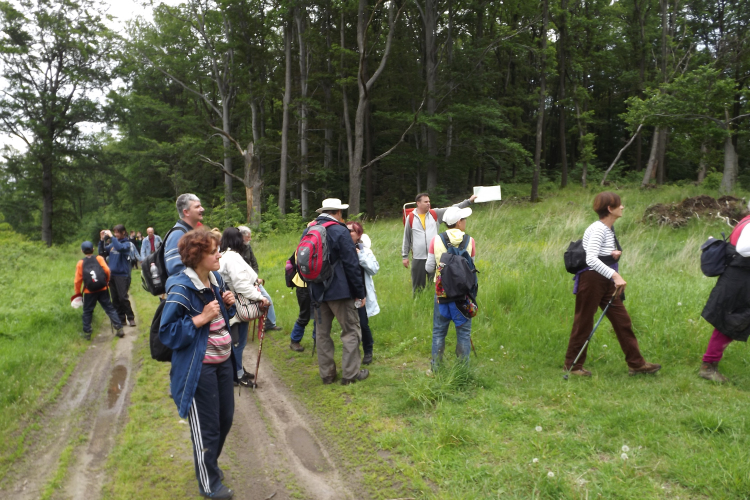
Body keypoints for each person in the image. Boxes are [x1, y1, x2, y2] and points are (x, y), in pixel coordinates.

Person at [159, 229, 237, 499]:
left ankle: (209, 466)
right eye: (213, 251)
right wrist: (199, 319)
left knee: (225, 419)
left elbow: (222, 318)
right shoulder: (181, 287)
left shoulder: (215, 279)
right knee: (208, 428)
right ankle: (209, 484)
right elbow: (167, 333)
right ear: (197, 256)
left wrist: (229, 305)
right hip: (199, 368)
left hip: (224, 363)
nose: (219, 254)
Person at [564, 192, 661, 377]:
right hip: (592, 280)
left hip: (605, 280)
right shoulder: (599, 229)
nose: (622, 207)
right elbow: (591, 258)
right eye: (619, 205)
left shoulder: (607, 229)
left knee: (622, 320)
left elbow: (598, 254)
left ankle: (636, 364)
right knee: (583, 321)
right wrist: (615, 275)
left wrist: (612, 254)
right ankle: (573, 366)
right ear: (610, 209)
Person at [303, 198, 368, 385]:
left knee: (322, 334)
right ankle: (350, 375)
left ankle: (327, 375)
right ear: (338, 212)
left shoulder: (309, 230)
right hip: (340, 292)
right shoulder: (340, 230)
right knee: (350, 331)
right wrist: (359, 292)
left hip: (317, 291)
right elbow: (351, 264)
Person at [699, 206, 750, 383]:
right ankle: (708, 365)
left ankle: (709, 363)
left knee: (734, 320)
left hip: (740, 277)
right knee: (730, 321)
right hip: (740, 280)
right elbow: (744, 249)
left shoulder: (746, 220)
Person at [425, 206, 477, 367]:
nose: (465, 222)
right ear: (458, 222)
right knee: (463, 331)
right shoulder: (470, 241)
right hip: (464, 294)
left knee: (439, 331)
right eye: (464, 219)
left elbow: (428, 267)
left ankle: (436, 367)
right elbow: (472, 266)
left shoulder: (436, 240)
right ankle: (463, 369)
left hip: (442, 293)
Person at [218, 227, 269, 387]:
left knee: (237, 342)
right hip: (238, 303)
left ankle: (238, 369)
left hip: (232, 302)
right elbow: (240, 284)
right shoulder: (232, 257)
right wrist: (260, 297)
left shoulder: (225, 255)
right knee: (238, 343)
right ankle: (237, 374)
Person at [402, 192, 478, 293]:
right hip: (418, 257)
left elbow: (452, 209)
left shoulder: (435, 214)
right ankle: (418, 302)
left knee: (435, 284)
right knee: (417, 286)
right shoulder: (410, 217)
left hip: (434, 256)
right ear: (418, 203)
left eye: (429, 201)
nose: (428, 203)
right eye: (425, 202)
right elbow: (406, 237)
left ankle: (433, 301)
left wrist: (468, 201)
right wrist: (405, 256)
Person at [74, 241, 124, 340]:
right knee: (109, 308)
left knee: (87, 311)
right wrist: (106, 281)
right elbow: (107, 270)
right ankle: (119, 328)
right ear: (93, 249)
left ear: (82, 251)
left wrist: (78, 293)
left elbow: (77, 281)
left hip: (89, 291)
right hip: (103, 288)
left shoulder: (81, 263)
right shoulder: (99, 258)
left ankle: (87, 333)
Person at [237, 226, 282, 331]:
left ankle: (269, 324)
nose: (250, 239)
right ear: (242, 237)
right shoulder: (234, 250)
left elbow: (254, 264)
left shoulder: (248, 247)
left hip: (253, 280)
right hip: (240, 282)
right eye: (248, 237)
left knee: (267, 298)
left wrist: (255, 277)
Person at [347, 221, 380, 365]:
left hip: (362, 294)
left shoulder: (365, 251)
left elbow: (374, 269)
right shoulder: (341, 249)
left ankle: (368, 350)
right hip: (345, 293)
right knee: (349, 326)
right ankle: (353, 353)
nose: (347, 234)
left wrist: (360, 255)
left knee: (363, 323)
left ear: (358, 234)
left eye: (351, 231)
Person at [98, 224, 136, 327]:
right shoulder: (112, 245)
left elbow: (119, 248)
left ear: (123, 232)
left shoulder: (127, 244)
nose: (116, 234)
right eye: (115, 232)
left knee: (123, 297)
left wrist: (112, 237)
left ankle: (130, 317)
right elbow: (102, 253)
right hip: (112, 275)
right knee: (115, 299)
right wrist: (101, 240)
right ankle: (121, 319)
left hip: (122, 275)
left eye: (118, 232)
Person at [165, 194, 205, 277]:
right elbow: (174, 268)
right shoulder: (178, 234)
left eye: (200, 206)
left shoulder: (190, 232)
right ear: (186, 212)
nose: (202, 209)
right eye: (197, 207)